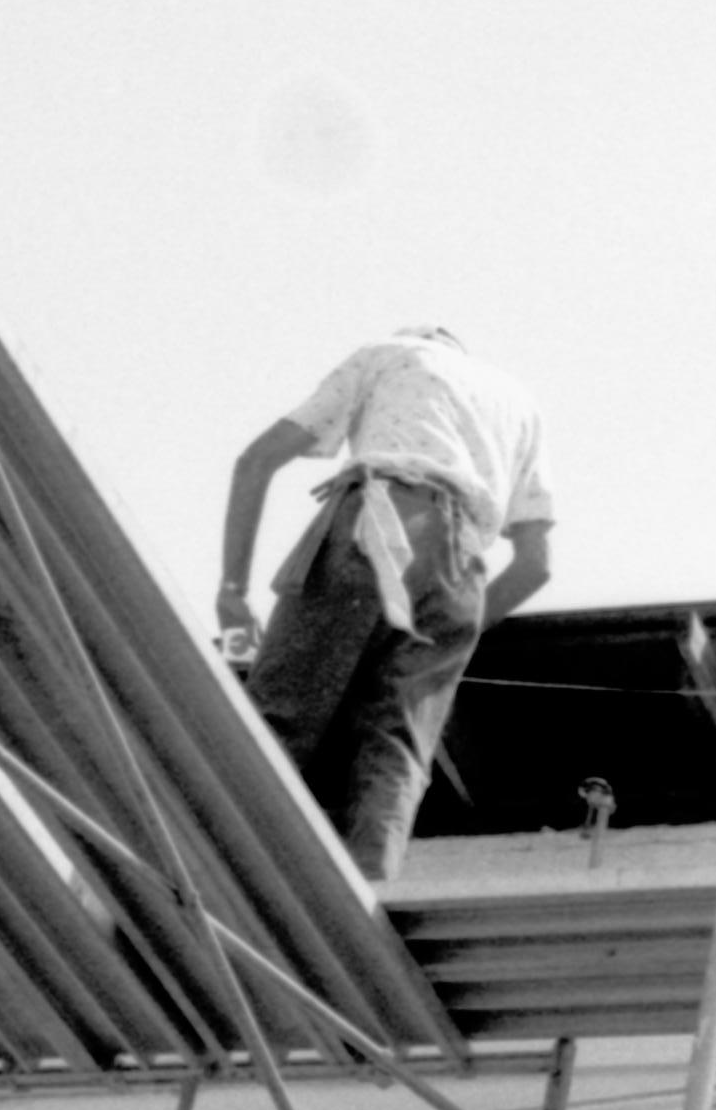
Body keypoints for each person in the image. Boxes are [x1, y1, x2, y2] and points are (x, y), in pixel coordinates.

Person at [219, 325, 555, 880]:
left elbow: (256, 461)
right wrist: (451, 635)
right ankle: (371, 889)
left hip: (378, 518)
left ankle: (221, 865)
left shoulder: (391, 357)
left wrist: (232, 591)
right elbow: (535, 565)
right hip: (463, 568)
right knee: (396, 745)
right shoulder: (518, 403)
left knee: (283, 713)